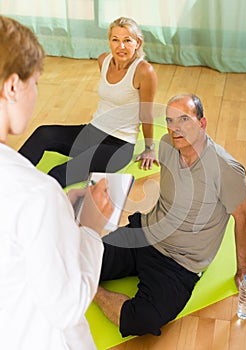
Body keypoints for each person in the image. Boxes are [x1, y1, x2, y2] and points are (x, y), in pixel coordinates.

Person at [93, 93, 246, 337]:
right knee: (82, 258)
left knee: (141, 320)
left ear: (202, 123)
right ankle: (88, 276)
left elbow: (244, 217)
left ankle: (91, 291)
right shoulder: (167, 146)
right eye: (169, 121)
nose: (175, 128)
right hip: (145, 234)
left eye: (184, 119)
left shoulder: (226, 170)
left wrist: (244, 268)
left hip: (179, 263)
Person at [0, 15, 113, 350]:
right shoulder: (36, 193)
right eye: (35, 83)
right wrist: (91, 229)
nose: (36, 93)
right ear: (12, 86)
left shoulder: (37, 195)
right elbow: (67, 307)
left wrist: (59, 207)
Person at [18, 16, 159, 188]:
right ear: (109, 41)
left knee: (58, 173)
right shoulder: (104, 60)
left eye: (127, 41)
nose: (121, 46)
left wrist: (149, 148)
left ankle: (27, 205)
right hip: (91, 132)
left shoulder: (144, 71)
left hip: (118, 147)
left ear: (137, 42)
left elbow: (146, 113)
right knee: (43, 134)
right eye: (115, 40)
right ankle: (8, 176)